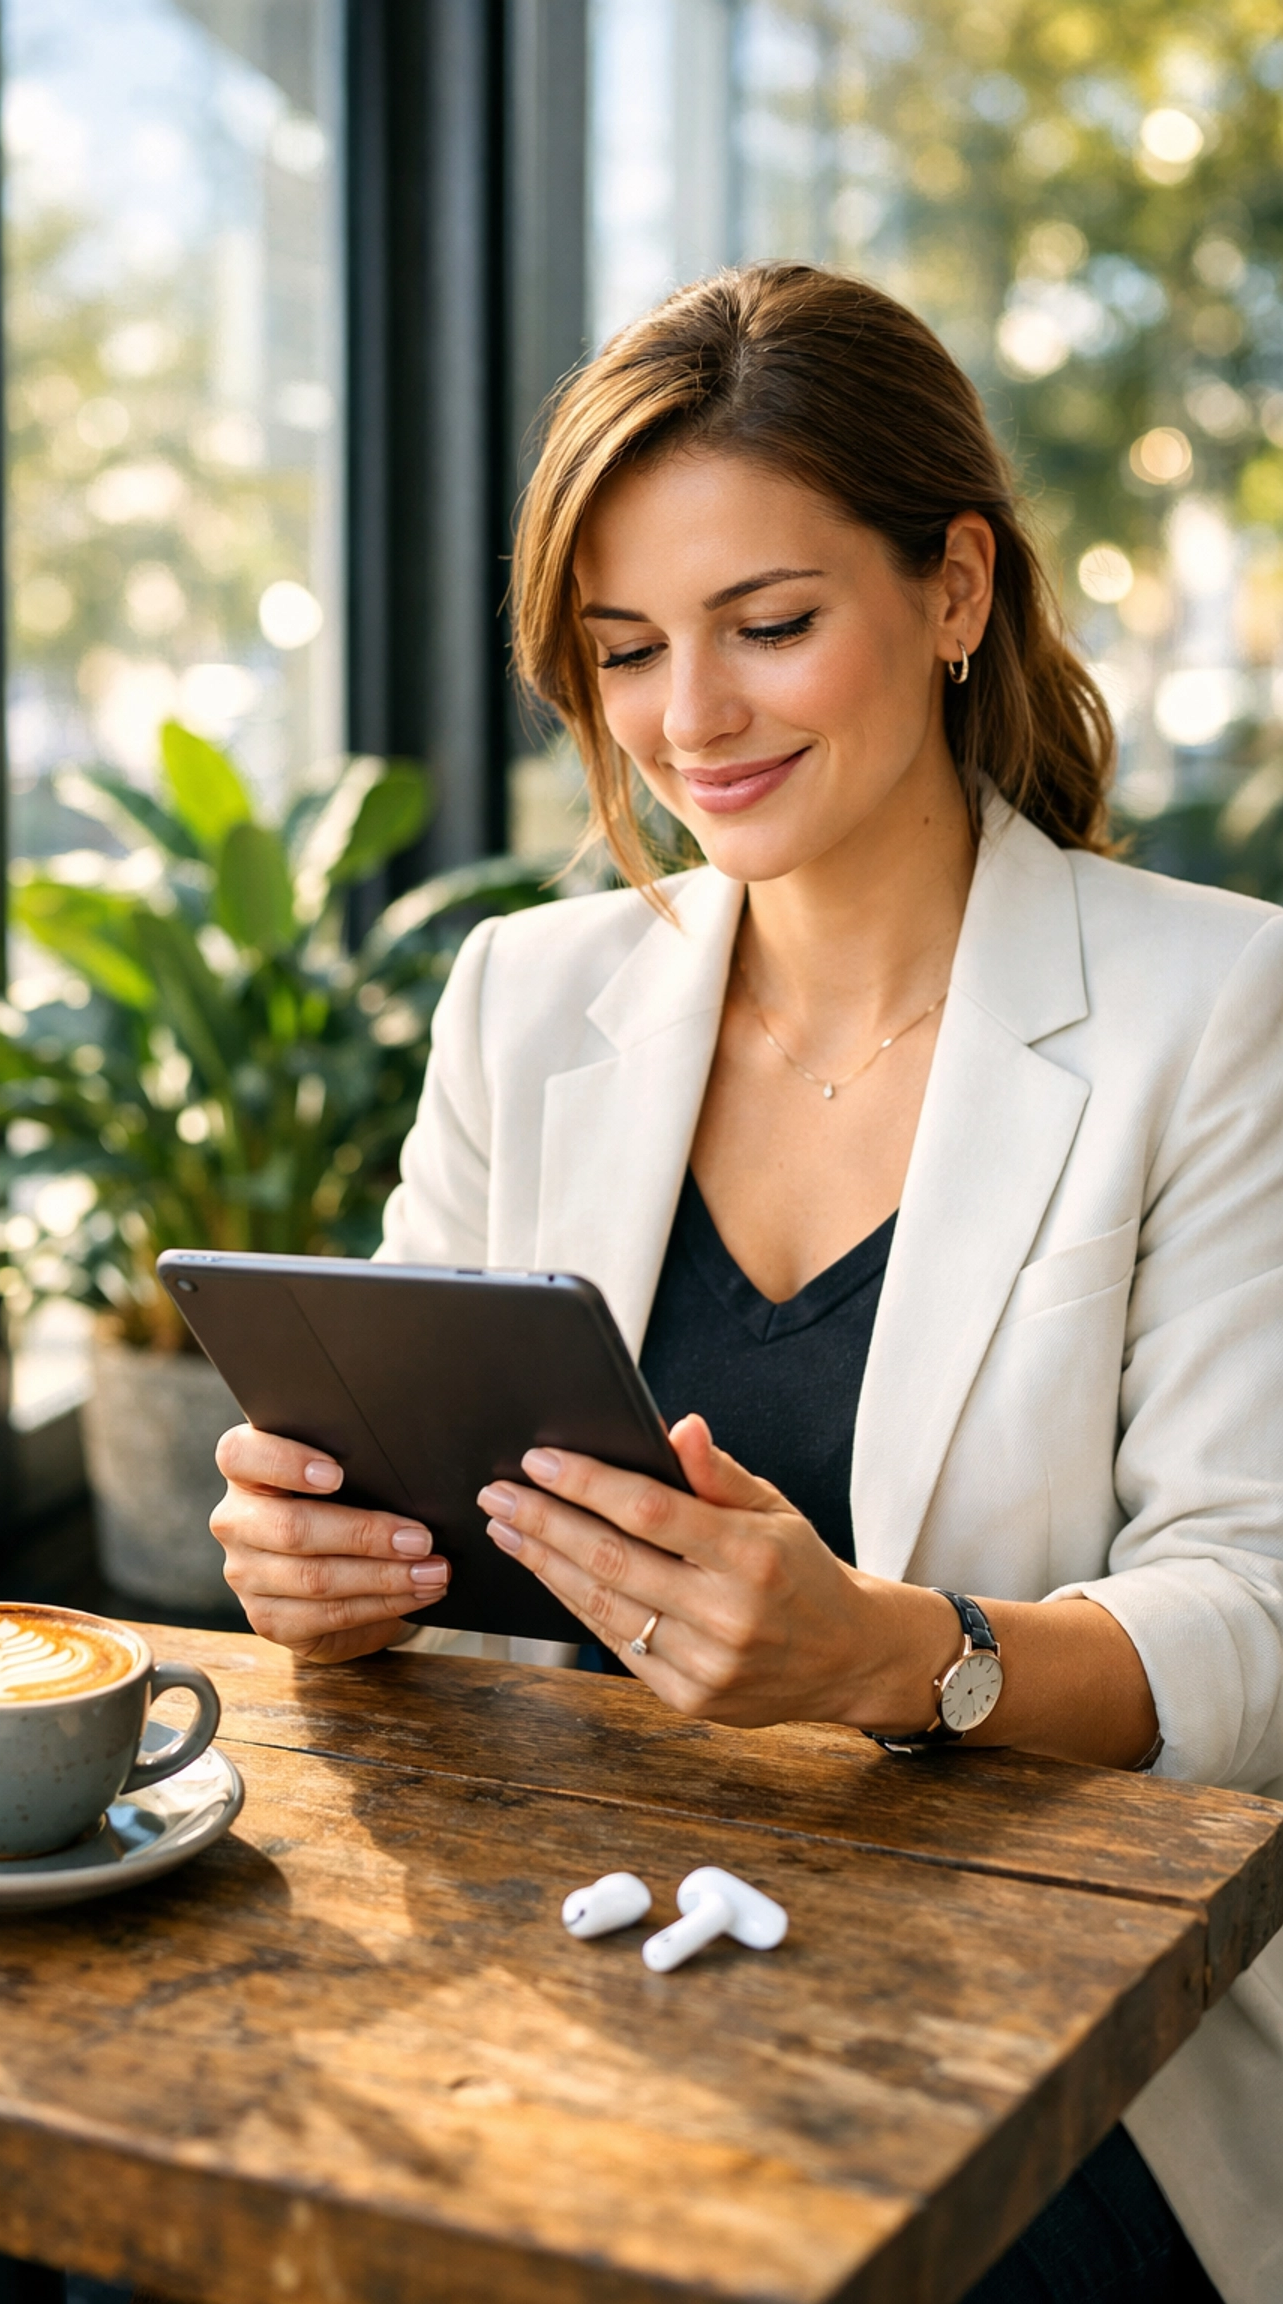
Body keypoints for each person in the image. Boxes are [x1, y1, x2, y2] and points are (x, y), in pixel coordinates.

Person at [209, 263, 1283, 2303]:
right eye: (627, 651)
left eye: (769, 627)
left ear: (956, 590)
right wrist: (313, 1568)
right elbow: (402, 1503)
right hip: (580, 1958)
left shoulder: (1215, 1005)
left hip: (1054, 2047)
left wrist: (893, 1655)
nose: (691, 720)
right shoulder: (529, 999)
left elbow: (1258, 1633)